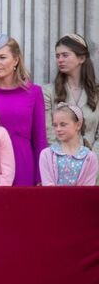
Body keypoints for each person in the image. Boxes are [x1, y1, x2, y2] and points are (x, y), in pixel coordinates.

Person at [0, 34, 47, 186]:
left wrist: (41, 177)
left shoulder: (33, 92)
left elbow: (39, 138)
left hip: (23, 164)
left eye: (2, 57)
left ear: (16, 59)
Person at [42, 34, 98, 182]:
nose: (60, 59)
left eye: (65, 55)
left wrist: (90, 160)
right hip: (59, 169)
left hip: (93, 169)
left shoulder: (97, 94)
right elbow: (49, 132)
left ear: (81, 58)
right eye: (57, 55)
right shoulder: (48, 91)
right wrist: (63, 160)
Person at [39, 103, 98, 186]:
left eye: (63, 124)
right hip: (54, 199)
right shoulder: (46, 154)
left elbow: (88, 190)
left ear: (78, 125)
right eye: (55, 125)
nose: (58, 129)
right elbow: (48, 187)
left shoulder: (90, 157)